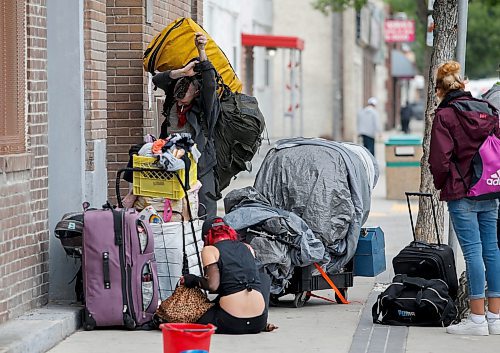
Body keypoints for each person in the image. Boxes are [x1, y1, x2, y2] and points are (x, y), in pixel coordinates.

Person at [428, 60, 500, 336]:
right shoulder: (487, 109)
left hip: (462, 191)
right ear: (463, 83)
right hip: (489, 189)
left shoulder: (445, 114)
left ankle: (478, 320)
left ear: (440, 88)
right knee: (492, 251)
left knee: (472, 253)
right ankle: (495, 318)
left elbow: (439, 159)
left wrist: (442, 184)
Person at [152, 32, 219, 218]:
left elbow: (210, 84)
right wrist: (182, 72)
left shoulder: (204, 108)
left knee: (204, 211)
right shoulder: (171, 103)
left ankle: (205, 245)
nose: (179, 94)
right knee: (175, 209)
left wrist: (202, 51)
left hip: (200, 164)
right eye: (178, 89)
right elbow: (157, 80)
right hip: (171, 161)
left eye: (185, 90)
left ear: (196, 92)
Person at [181, 217, 274, 334]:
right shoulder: (247, 247)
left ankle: (157, 320)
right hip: (258, 322)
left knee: (188, 316)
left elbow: (213, 285)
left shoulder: (210, 250)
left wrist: (192, 279)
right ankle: (263, 323)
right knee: (263, 278)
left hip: (231, 322)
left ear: (206, 237)